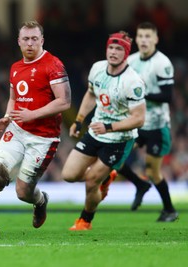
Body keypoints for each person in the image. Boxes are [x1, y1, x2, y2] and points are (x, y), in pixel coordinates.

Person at [0, 20, 72, 228]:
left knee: (22, 192)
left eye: (34, 39)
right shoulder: (16, 67)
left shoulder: (53, 65)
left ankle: (40, 201)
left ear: (42, 40)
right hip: (17, 130)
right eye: (26, 39)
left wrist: (33, 114)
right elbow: (14, 98)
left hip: (43, 138)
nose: (30, 43)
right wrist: (7, 116)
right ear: (19, 42)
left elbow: (64, 101)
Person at [61, 31, 146, 230]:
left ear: (126, 54)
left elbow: (139, 119)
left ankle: (85, 221)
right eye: (111, 48)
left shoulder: (133, 81)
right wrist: (79, 120)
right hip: (96, 132)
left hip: (119, 138)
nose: (113, 52)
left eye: (119, 49)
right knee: (69, 175)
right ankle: (106, 176)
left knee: (91, 181)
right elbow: (91, 94)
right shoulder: (97, 69)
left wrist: (109, 127)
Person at [115, 22, 178, 221]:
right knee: (115, 158)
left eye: (148, 36)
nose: (143, 40)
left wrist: (140, 94)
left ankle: (169, 210)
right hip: (136, 122)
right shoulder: (131, 61)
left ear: (155, 39)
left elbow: (167, 95)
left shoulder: (162, 63)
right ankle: (140, 185)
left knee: (152, 170)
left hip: (157, 125)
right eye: (140, 36)